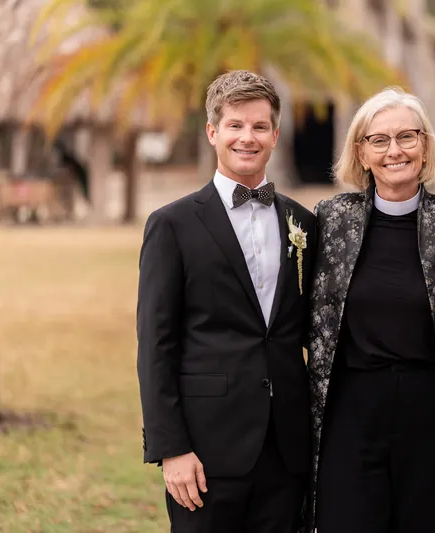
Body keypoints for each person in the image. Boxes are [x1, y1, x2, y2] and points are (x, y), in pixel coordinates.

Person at [136, 69, 317, 533]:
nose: (247, 137)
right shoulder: (171, 225)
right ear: (213, 132)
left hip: (286, 449)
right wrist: (170, 448)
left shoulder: (302, 223)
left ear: (275, 135)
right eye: (235, 125)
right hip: (204, 451)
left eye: (259, 127)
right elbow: (156, 345)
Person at [306, 87, 435, 533]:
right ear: (361, 153)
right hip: (350, 413)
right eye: (379, 140)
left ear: (425, 147)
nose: (394, 150)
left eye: (407, 136)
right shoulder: (330, 220)